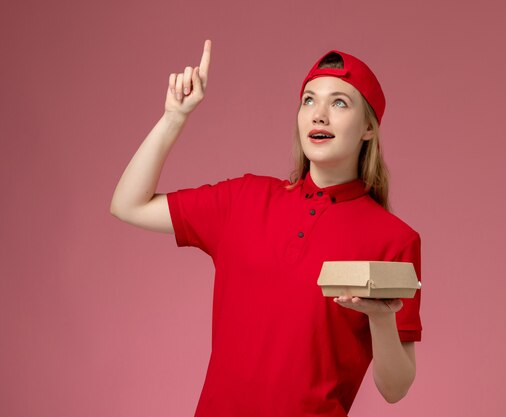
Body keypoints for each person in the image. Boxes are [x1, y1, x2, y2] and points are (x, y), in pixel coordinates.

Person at [110, 39, 422, 417]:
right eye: (309, 100)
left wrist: (380, 315)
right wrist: (174, 117)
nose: (318, 115)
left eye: (339, 102)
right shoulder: (244, 198)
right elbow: (128, 204)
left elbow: (395, 388)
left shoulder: (395, 239)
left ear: (368, 128)